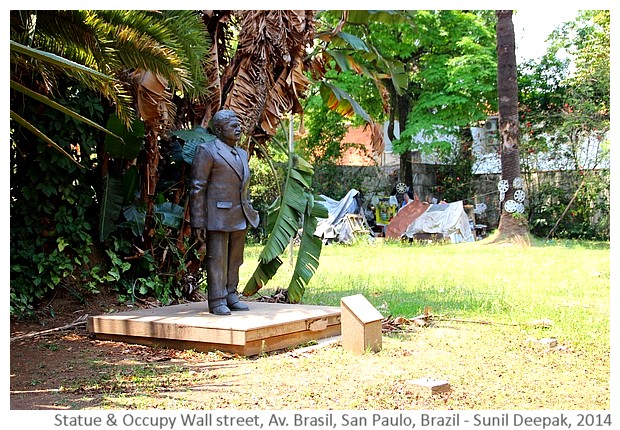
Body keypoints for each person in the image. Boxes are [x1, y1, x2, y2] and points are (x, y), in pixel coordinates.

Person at [189, 110, 260, 315]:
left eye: (239, 125)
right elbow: (197, 187)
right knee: (217, 258)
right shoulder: (207, 150)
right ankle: (217, 299)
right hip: (217, 215)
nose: (238, 129)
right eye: (232, 125)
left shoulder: (242, 154)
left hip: (240, 213)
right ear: (219, 129)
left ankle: (231, 293)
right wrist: (198, 221)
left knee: (235, 258)